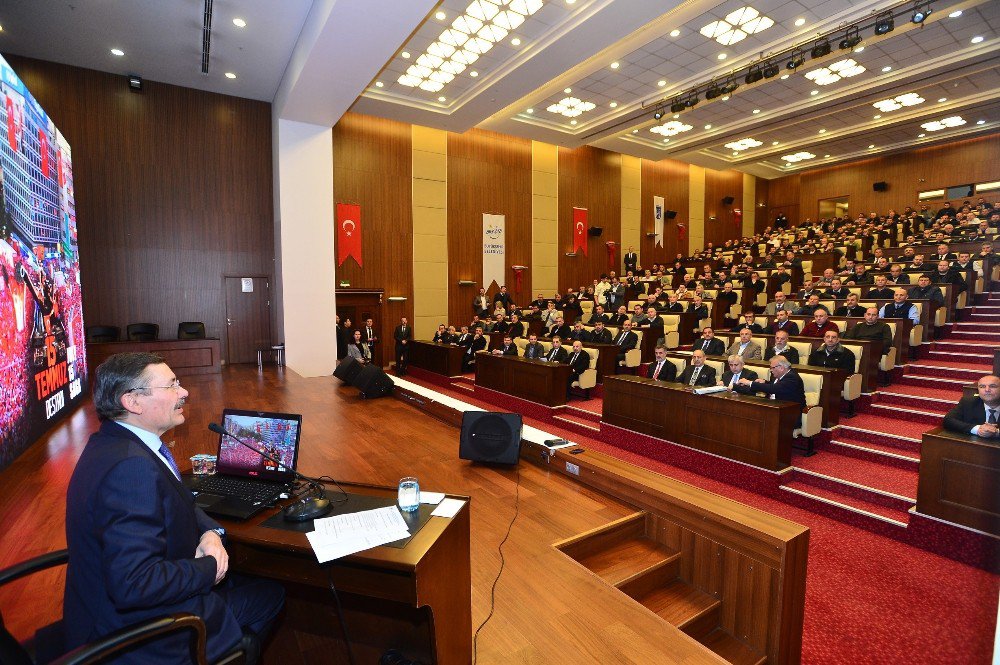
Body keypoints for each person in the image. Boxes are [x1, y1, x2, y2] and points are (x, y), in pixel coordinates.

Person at [64, 353, 284, 664]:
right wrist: (211, 567)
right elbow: (136, 583)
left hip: (104, 609)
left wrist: (211, 532)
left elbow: (181, 499)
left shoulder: (112, 444)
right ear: (133, 402)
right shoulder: (131, 469)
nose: (184, 392)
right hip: (139, 637)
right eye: (172, 385)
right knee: (271, 595)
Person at [734, 356, 806, 407]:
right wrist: (765, 382)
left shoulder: (792, 377)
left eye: (772, 368)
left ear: (781, 368)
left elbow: (775, 389)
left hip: (789, 413)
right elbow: (777, 386)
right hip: (775, 407)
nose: (771, 370)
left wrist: (749, 382)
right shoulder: (781, 375)